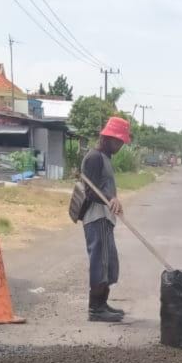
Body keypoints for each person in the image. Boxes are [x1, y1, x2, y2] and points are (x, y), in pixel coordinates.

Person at [80, 116, 131, 322]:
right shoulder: (94, 157)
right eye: (117, 141)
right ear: (107, 137)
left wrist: (114, 201)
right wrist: (111, 199)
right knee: (100, 263)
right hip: (96, 217)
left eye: (121, 142)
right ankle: (95, 309)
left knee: (109, 263)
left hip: (105, 217)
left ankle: (103, 304)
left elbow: (104, 188)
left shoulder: (105, 158)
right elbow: (90, 192)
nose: (119, 145)